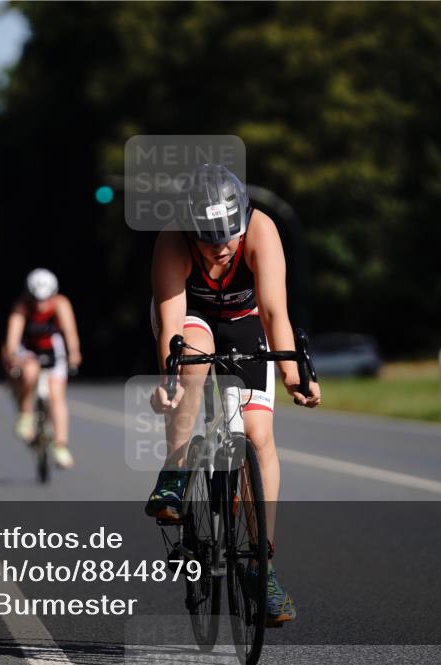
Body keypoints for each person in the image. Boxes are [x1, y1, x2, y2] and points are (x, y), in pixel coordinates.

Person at [146, 163, 321, 626]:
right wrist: (170, 382)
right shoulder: (172, 240)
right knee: (191, 366)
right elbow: (171, 329)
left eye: (229, 234)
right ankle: (176, 471)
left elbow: (272, 311)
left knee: (259, 436)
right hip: (193, 318)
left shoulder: (262, 228)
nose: (221, 247)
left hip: (247, 321)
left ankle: (260, 567)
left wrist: (292, 374)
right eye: (209, 238)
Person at [2, 268, 82, 470]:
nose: (41, 304)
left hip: (54, 350)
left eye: (45, 299)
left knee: (57, 396)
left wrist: (74, 353)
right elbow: (12, 340)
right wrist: (13, 359)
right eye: (36, 299)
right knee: (29, 371)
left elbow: (70, 332)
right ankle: (26, 415)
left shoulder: (61, 304)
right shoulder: (21, 308)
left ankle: (61, 446)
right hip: (28, 350)